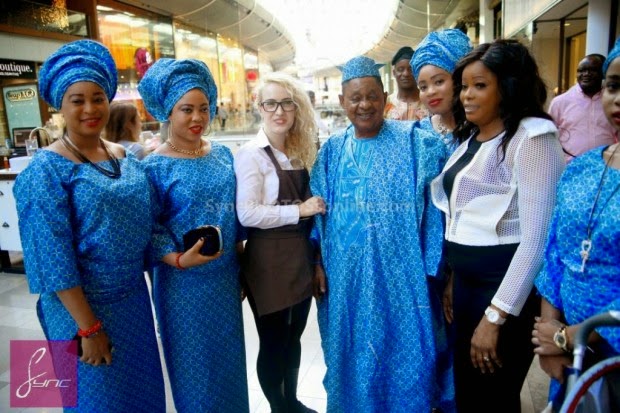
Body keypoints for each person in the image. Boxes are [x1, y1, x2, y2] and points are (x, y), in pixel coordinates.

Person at [13, 39, 165, 412]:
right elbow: (51, 259)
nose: (90, 108)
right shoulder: (45, 170)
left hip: (133, 302)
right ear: (59, 106)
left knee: (142, 398)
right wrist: (89, 328)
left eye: (98, 98)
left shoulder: (125, 157)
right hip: (79, 313)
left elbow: (147, 226)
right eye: (77, 100)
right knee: (94, 402)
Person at [431, 39, 566, 413]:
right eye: (464, 86)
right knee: (470, 395)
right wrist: (455, 278)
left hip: (503, 290)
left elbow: (537, 242)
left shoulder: (533, 137)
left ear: (507, 87)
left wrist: (495, 316)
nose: (467, 95)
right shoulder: (472, 137)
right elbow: (463, 219)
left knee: (493, 398)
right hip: (467, 287)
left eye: (480, 85)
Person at [310, 56, 452, 412]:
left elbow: (438, 208)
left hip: (401, 276)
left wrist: (433, 267)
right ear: (342, 101)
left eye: (372, 96)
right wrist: (317, 263)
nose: (364, 105)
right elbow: (319, 216)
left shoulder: (414, 142)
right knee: (353, 348)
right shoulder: (332, 151)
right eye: (355, 98)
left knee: (403, 348)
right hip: (347, 278)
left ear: (385, 97)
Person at [138, 58, 248, 412]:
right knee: (195, 372)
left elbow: (235, 212)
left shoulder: (223, 155)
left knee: (229, 368)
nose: (198, 117)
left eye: (204, 108)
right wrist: (177, 259)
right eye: (187, 109)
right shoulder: (154, 167)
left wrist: (242, 264)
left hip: (225, 280)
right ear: (168, 112)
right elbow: (149, 226)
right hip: (182, 285)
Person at [532, 38, 620, 411]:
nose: (618, 100)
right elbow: (556, 251)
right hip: (572, 356)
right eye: (614, 86)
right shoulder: (583, 166)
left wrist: (569, 337)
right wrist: (549, 342)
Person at [235, 72, 325, 413]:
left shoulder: (300, 150)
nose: (279, 111)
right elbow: (247, 213)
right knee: (273, 341)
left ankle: (292, 401)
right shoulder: (251, 154)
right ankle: (279, 408)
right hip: (268, 260)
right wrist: (299, 210)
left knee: (294, 337)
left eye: (287, 103)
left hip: (300, 255)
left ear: (296, 107)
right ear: (259, 108)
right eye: (270, 103)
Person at [410, 28, 472, 153]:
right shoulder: (419, 133)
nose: (430, 92)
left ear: (459, 80)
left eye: (438, 82)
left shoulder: (482, 128)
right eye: (423, 87)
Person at [549, 53, 616, 162]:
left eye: (592, 70)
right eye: (581, 71)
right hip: (570, 166)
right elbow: (550, 138)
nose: (586, 74)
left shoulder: (613, 102)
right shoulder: (559, 102)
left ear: (604, 73)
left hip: (605, 165)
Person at [384, 46, 428, 121]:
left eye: (410, 69)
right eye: (400, 69)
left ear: (417, 72)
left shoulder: (427, 101)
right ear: (394, 73)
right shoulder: (387, 103)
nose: (406, 74)